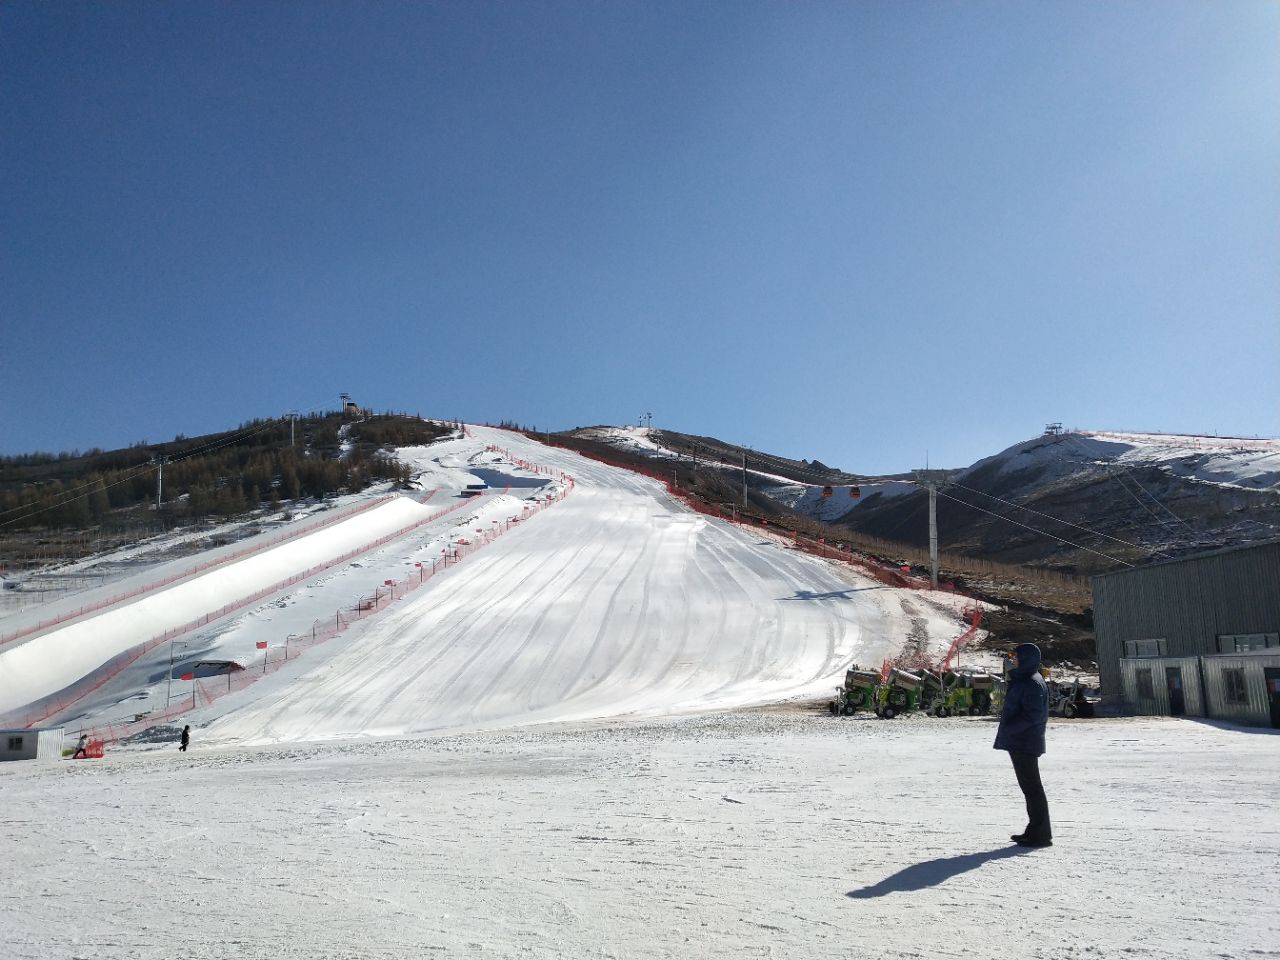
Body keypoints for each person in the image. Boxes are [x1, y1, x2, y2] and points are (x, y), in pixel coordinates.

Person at [995, 643, 1052, 847]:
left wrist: (1010, 728)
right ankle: (1035, 830)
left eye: (1016, 656)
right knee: (1030, 788)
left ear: (1026, 658)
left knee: (1032, 788)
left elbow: (1034, 716)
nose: (1013, 659)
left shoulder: (1031, 682)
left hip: (1025, 742)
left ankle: (1041, 834)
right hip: (1022, 741)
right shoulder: (1026, 679)